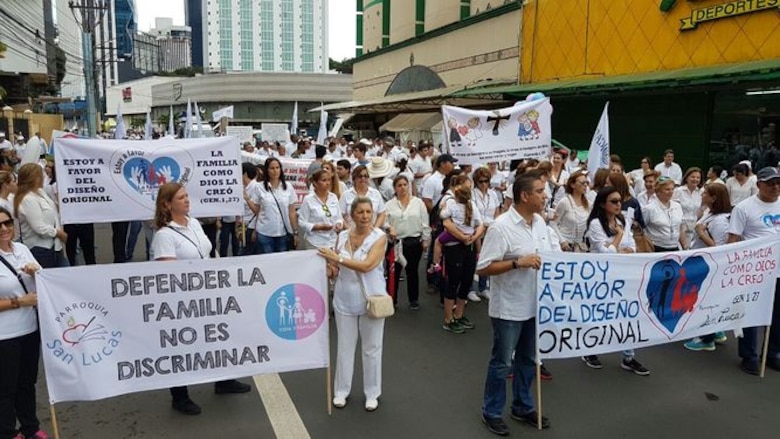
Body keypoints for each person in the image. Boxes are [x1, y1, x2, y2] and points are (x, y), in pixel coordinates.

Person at [150, 183, 251, 415]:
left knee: (218, 337)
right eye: (181, 197)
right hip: (183, 301)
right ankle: (180, 395)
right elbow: (167, 275)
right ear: (167, 204)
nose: (187, 200)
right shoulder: (164, 235)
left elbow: (206, 252)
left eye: (187, 196)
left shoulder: (194, 223)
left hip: (209, 294)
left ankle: (224, 380)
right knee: (181, 347)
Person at [477, 173, 555, 436]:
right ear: (525, 195)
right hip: (509, 308)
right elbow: (484, 268)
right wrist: (516, 262)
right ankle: (492, 411)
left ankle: (522, 406)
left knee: (528, 359)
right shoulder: (501, 227)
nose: (546, 195)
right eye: (540, 191)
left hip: (535, 305)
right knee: (501, 363)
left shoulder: (541, 223)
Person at [317, 197, 388, 412]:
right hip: (343, 299)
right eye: (360, 212)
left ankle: (372, 393)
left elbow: (367, 266)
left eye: (369, 212)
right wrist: (326, 268)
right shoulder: (342, 237)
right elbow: (335, 270)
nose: (365, 216)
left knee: (372, 348)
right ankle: (341, 391)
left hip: (371, 300)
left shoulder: (379, 237)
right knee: (345, 347)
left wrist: (336, 259)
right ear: (352, 215)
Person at [581, 187, 650, 375]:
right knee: (598, 314)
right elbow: (605, 254)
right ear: (603, 204)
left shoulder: (622, 220)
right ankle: (590, 350)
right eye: (614, 201)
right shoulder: (596, 224)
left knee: (626, 313)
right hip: (600, 276)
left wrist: (620, 247)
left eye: (620, 201)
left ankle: (629, 356)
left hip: (622, 273)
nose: (619, 204)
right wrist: (618, 237)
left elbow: (632, 246)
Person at [727, 167, 780, 375]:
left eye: (778, 183)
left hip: (779, 270)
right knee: (752, 314)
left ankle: (774, 353)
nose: (775, 187)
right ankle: (749, 355)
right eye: (770, 183)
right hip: (755, 270)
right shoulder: (744, 208)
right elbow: (733, 240)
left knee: (777, 315)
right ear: (759, 185)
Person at [0, 206, 47, 439]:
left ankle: (31, 427)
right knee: (5, 388)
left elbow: (43, 283)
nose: (4, 229)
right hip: (4, 335)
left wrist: (37, 273)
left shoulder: (22, 249)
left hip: (29, 329)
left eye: (7, 223)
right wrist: (20, 301)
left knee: (26, 383)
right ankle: (7, 431)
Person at [683, 183, 731, 351]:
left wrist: (702, 233)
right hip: (699, 261)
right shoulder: (709, 213)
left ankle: (706, 338)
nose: (702, 195)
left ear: (714, 198)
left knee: (705, 300)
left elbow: (719, 248)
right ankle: (716, 330)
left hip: (708, 266)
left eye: (705, 194)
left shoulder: (721, 221)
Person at [440, 173, 485, 334]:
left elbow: (480, 225)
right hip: (454, 247)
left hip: (469, 247)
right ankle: (448, 318)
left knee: (466, 281)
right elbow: (444, 220)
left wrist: (473, 238)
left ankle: (459, 315)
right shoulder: (450, 202)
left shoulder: (472, 205)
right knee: (453, 281)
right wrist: (463, 237)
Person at [384, 175, 430, 310]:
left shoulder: (418, 203)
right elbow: (384, 222)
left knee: (412, 271)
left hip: (414, 242)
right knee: (394, 272)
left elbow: (425, 222)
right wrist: (389, 228)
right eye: (399, 185)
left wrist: (425, 239)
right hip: (396, 242)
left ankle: (413, 299)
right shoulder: (389, 205)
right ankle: (392, 299)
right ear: (395, 188)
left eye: (405, 184)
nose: (403, 188)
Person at [14, 164, 68, 269]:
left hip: (55, 247)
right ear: (34, 178)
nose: (43, 177)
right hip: (41, 249)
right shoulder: (28, 199)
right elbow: (39, 227)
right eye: (40, 175)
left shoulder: (40, 192)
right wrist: (58, 233)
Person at [254, 157, 299, 254]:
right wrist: (247, 199)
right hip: (265, 232)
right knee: (267, 262)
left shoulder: (288, 187)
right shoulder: (259, 187)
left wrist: (295, 232)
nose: (275, 171)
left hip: (283, 232)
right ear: (267, 170)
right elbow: (256, 210)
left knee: (282, 263)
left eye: (277, 168)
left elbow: (292, 211)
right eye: (272, 168)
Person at [472, 167, 502, 299]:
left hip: (490, 229)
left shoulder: (493, 194)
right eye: (481, 181)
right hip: (476, 229)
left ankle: (483, 287)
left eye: (486, 181)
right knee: (474, 259)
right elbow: (473, 213)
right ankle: (470, 289)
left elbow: (497, 212)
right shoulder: (472, 194)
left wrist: (496, 225)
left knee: (487, 259)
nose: (484, 184)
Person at [299, 169, 343, 250]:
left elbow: (339, 218)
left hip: (332, 241)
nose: (328, 183)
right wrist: (317, 227)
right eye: (324, 180)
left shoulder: (333, 197)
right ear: (315, 183)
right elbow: (302, 222)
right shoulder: (308, 199)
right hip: (315, 242)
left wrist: (338, 224)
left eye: (329, 180)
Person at [644, 176, 687, 252]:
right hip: (656, 248)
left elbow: (680, 228)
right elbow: (641, 229)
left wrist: (686, 248)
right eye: (667, 189)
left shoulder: (677, 206)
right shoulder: (649, 208)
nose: (671, 192)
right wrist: (648, 246)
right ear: (658, 192)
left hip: (675, 248)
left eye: (672, 189)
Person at [553, 170, 590, 252]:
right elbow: (553, 223)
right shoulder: (564, 202)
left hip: (580, 247)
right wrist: (562, 241)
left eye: (586, 183)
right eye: (582, 183)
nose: (585, 185)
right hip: (565, 245)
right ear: (573, 185)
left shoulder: (588, 204)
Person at [673, 167, 703, 245]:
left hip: (693, 228)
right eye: (692, 177)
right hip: (680, 227)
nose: (695, 179)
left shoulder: (700, 193)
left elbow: (700, 211)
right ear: (687, 178)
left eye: (698, 177)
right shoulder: (678, 191)